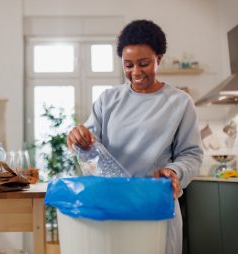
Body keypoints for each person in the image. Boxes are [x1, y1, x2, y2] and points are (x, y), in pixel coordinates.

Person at [67, 19, 203, 254]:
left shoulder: (180, 102)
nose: (136, 72)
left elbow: (191, 154)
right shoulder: (107, 100)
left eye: (144, 64)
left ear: (159, 58)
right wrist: (76, 137)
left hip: (156, 206)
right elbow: (87, 146)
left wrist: (174, 172)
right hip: (113, 207)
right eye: (128, 65)